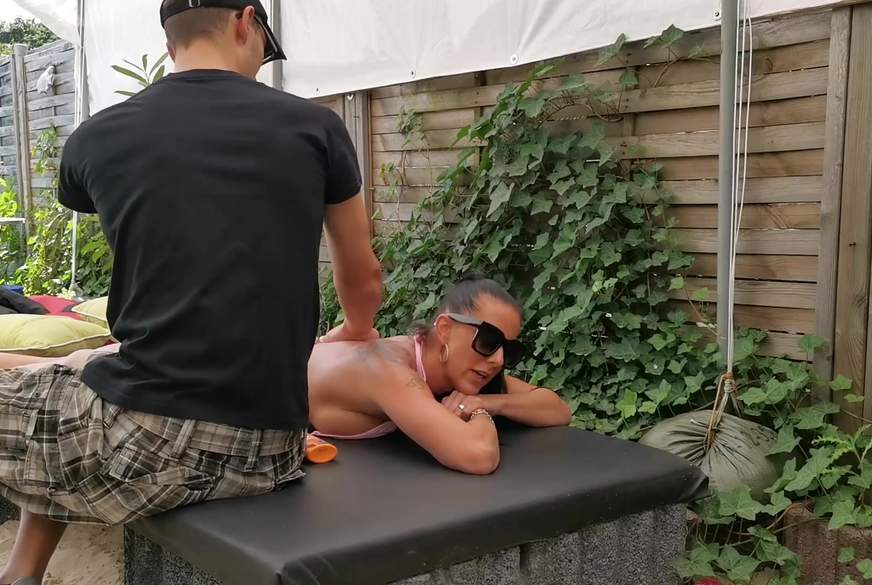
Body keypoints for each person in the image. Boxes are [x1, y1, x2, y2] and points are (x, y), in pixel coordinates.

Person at [0, 2, 382, 584]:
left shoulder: (98, 136)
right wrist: (356, 328)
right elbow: (363, 278)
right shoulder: (317, 127)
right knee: (74, 382)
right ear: (245, 22)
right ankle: (23, 572)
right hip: (276, 447)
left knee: (72, 393)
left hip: (147, 438)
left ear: (169, 43)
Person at [309, 275, 571, 474]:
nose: (498, 360)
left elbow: (557, 409)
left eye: (509, 350)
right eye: (489, 340)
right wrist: (479, 413)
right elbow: (478, 454)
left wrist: (487, 402)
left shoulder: (456, 367)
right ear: (445, 329)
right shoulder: (392, 370)